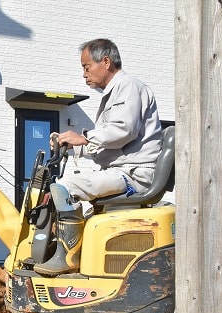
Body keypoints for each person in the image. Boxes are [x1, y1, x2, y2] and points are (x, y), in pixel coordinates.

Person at [34, 38, 163, 277]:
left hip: (133, 174)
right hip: (122, 170)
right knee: (74, 189)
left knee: (64, 187)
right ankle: (72, 252)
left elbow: (123, 131)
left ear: (105, 62)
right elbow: (110, 144)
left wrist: (83, 138)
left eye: (86, 67)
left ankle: (68, 257)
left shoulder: (129, 87)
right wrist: (74, 146)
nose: (84, 74)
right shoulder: (115, 93)